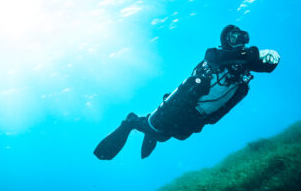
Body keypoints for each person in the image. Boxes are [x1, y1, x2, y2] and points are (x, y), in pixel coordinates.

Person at [94, 25, 280, 160]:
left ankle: (150, 130)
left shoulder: (243, 71)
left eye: (243, 37)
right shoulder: (217, 56)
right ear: (226, 40)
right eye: (234, 37)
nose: (239, 41)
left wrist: (269, 59)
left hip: (199, 116)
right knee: (155, 128)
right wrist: (253, 54)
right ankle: (132, 122)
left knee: (169, 136)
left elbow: (264, 66)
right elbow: (216, 56)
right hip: (182, 104)